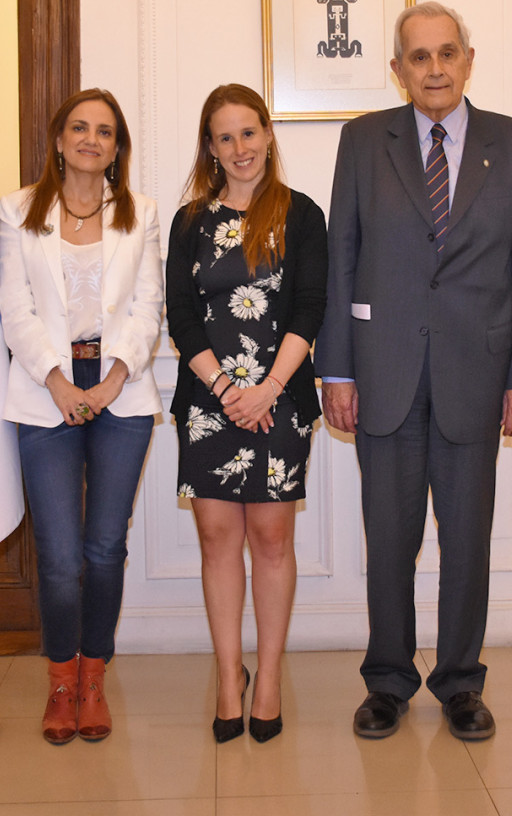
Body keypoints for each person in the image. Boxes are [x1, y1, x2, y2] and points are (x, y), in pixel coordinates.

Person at [316, 2, 512, 741]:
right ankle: (387, 682)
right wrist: (338, 372)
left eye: (447, 53)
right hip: (383, 376)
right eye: (418, 58)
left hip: (476, 378)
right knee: (388, 538)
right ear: (397, 69)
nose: (435, 69)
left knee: (466, 541)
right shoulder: (362, 142)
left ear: (469, 59)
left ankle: (460, 683)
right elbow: (341, 258)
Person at [0, 88, 164, 745]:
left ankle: (94, 679)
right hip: (46, 390)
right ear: (60, 140)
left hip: (123, 388)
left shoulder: (140, 213)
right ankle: (60, 681)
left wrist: (116, 376)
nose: (91, 139)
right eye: (79, 128)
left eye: (105, 131)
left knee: (104, 547)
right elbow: (16, 308)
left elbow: (149, 305)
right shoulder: (19, 210)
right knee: (62, 555)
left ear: (117, 147)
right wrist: (60, 383)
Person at [166, 84, 328, 744]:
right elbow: (181, 316)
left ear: (269, 135)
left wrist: (265, 389)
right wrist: (230, 390)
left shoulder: (302, 214)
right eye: (225, 136)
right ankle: (229, 676)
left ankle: (269, 677)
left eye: (249, 132)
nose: (240, 148)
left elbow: (308, 309)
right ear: (211, 146)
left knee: (271, 541)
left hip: (281, 402)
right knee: (217, 541)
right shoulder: (189, 223)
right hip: (208, 404)